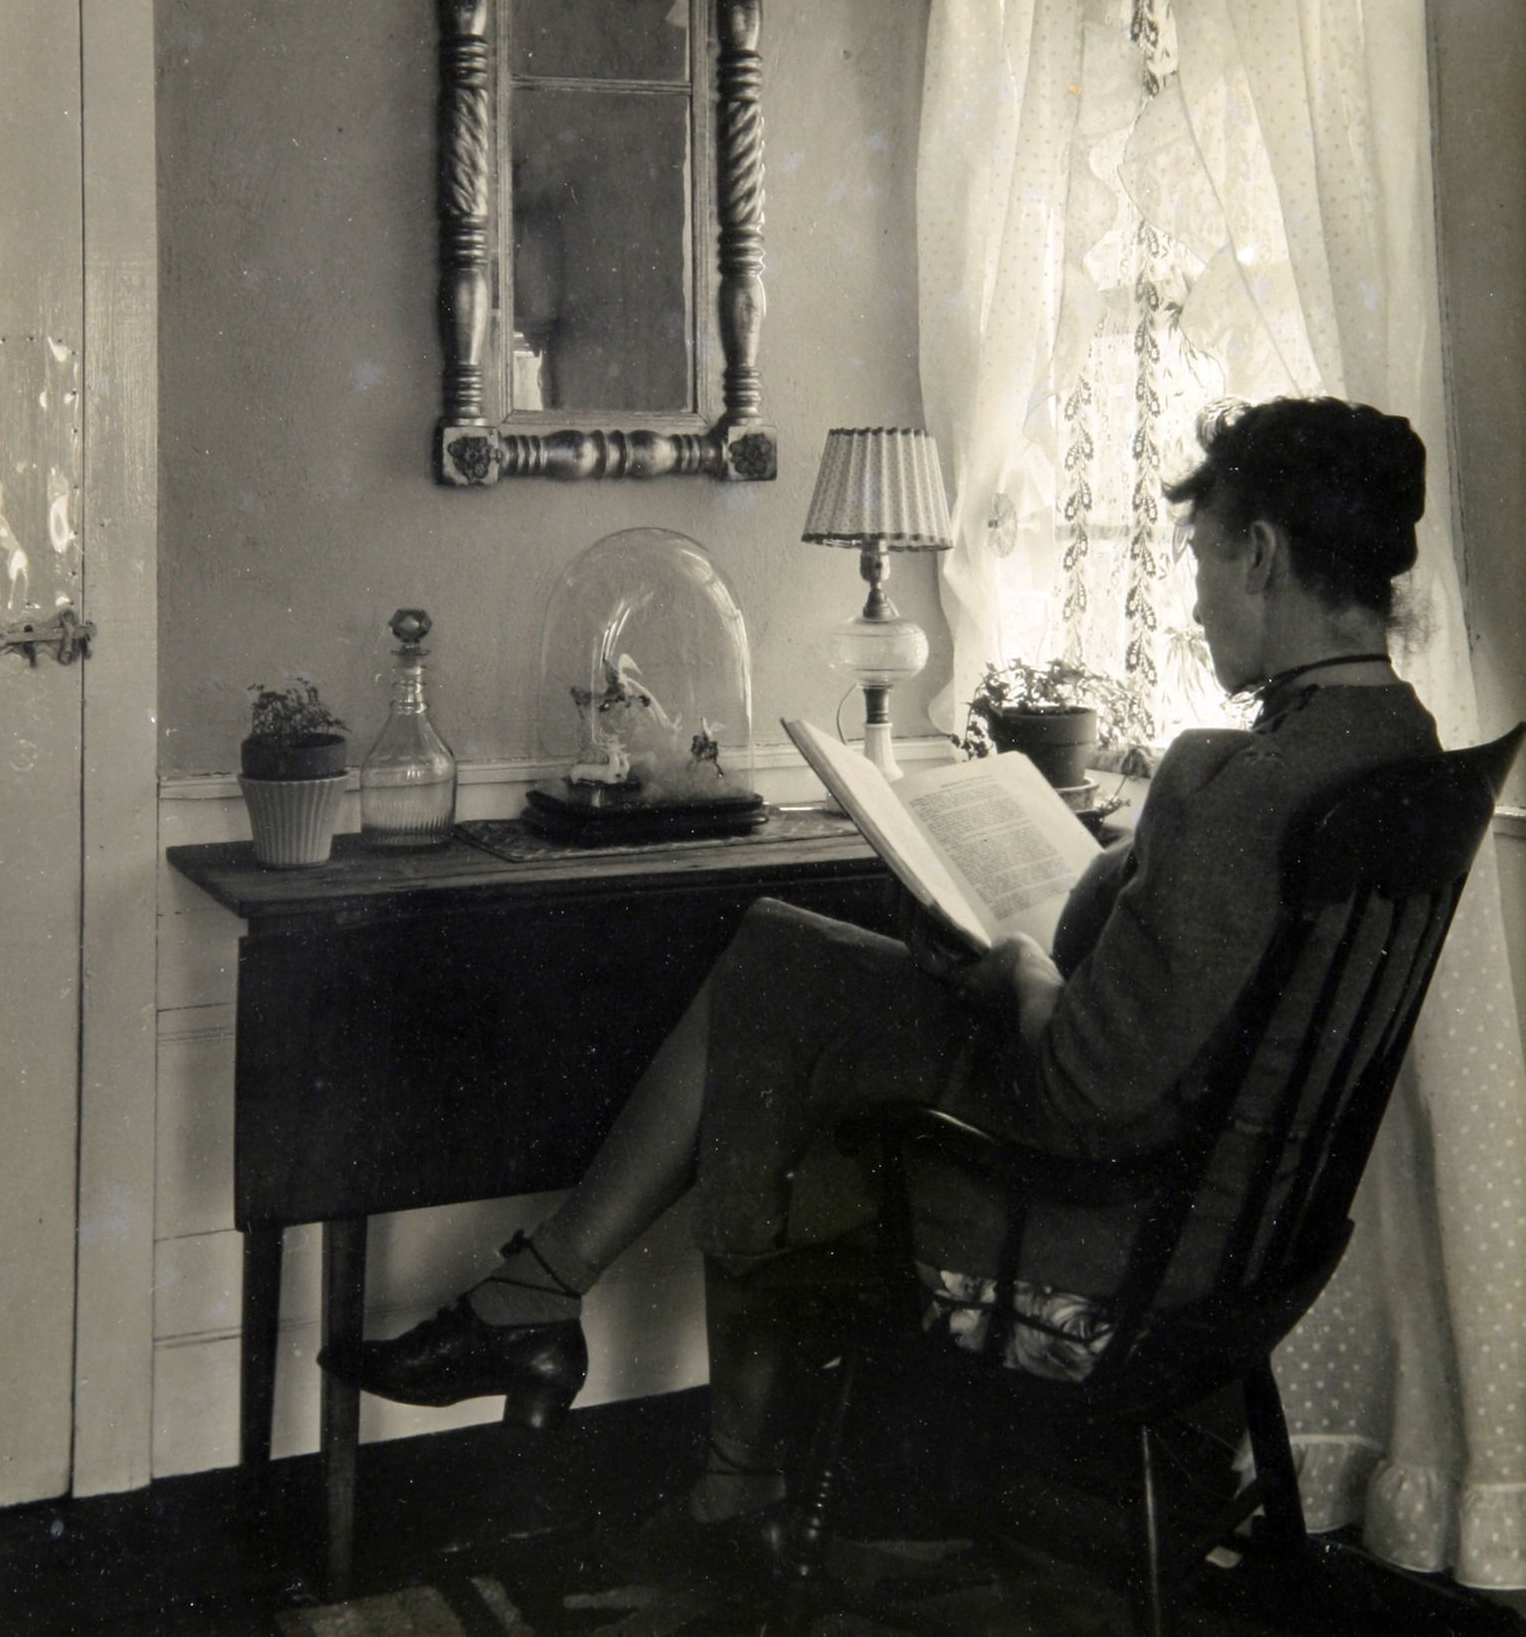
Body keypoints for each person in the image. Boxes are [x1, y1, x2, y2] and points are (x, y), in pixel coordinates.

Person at [320, 395, 1438, 1559]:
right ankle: (598, 1351)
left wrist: (1016, 965)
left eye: (1201, 557)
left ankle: (627, 1376)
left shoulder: (1239, 788)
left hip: (1100, 1246)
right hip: (1241, 1241)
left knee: (771, 1027)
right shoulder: (1395, 747)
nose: (1196, 598)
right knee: (783, 955)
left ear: (1259, 552)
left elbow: (1082, 1089)